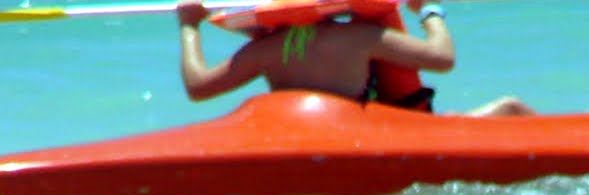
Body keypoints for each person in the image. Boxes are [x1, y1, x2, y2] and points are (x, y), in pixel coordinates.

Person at [176, 0, 534, 116]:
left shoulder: (268, 50)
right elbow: (443, 58)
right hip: (365, 133)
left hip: (314, 135)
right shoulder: (359, 37)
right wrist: (429, 10)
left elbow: (198, 86)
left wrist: (189, 27)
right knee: (511, 107)